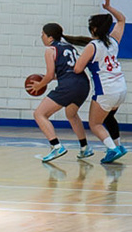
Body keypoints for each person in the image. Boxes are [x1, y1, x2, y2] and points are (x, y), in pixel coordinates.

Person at [74, 0, 129, 163]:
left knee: (95, 124)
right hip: (121, 88)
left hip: (106, 90)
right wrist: (109, 8)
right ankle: (118, 146)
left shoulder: (93, 46)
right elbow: (122, 19)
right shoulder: (113, 41)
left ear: (94, 29)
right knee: (108, 117)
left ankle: (112, 149)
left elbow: (77, 68)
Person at [33, 21, 91, 164]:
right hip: (83, 84)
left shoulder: (50, 50)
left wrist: (39, 85)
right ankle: (85, 147)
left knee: (39, 114)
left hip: (69, 86)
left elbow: (49, 75)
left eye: (43, 34)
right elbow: (63, 72)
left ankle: (56, 146)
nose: (41, 37)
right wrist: (45, 79)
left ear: (50, 37)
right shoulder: (69, 47)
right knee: (71, 114)